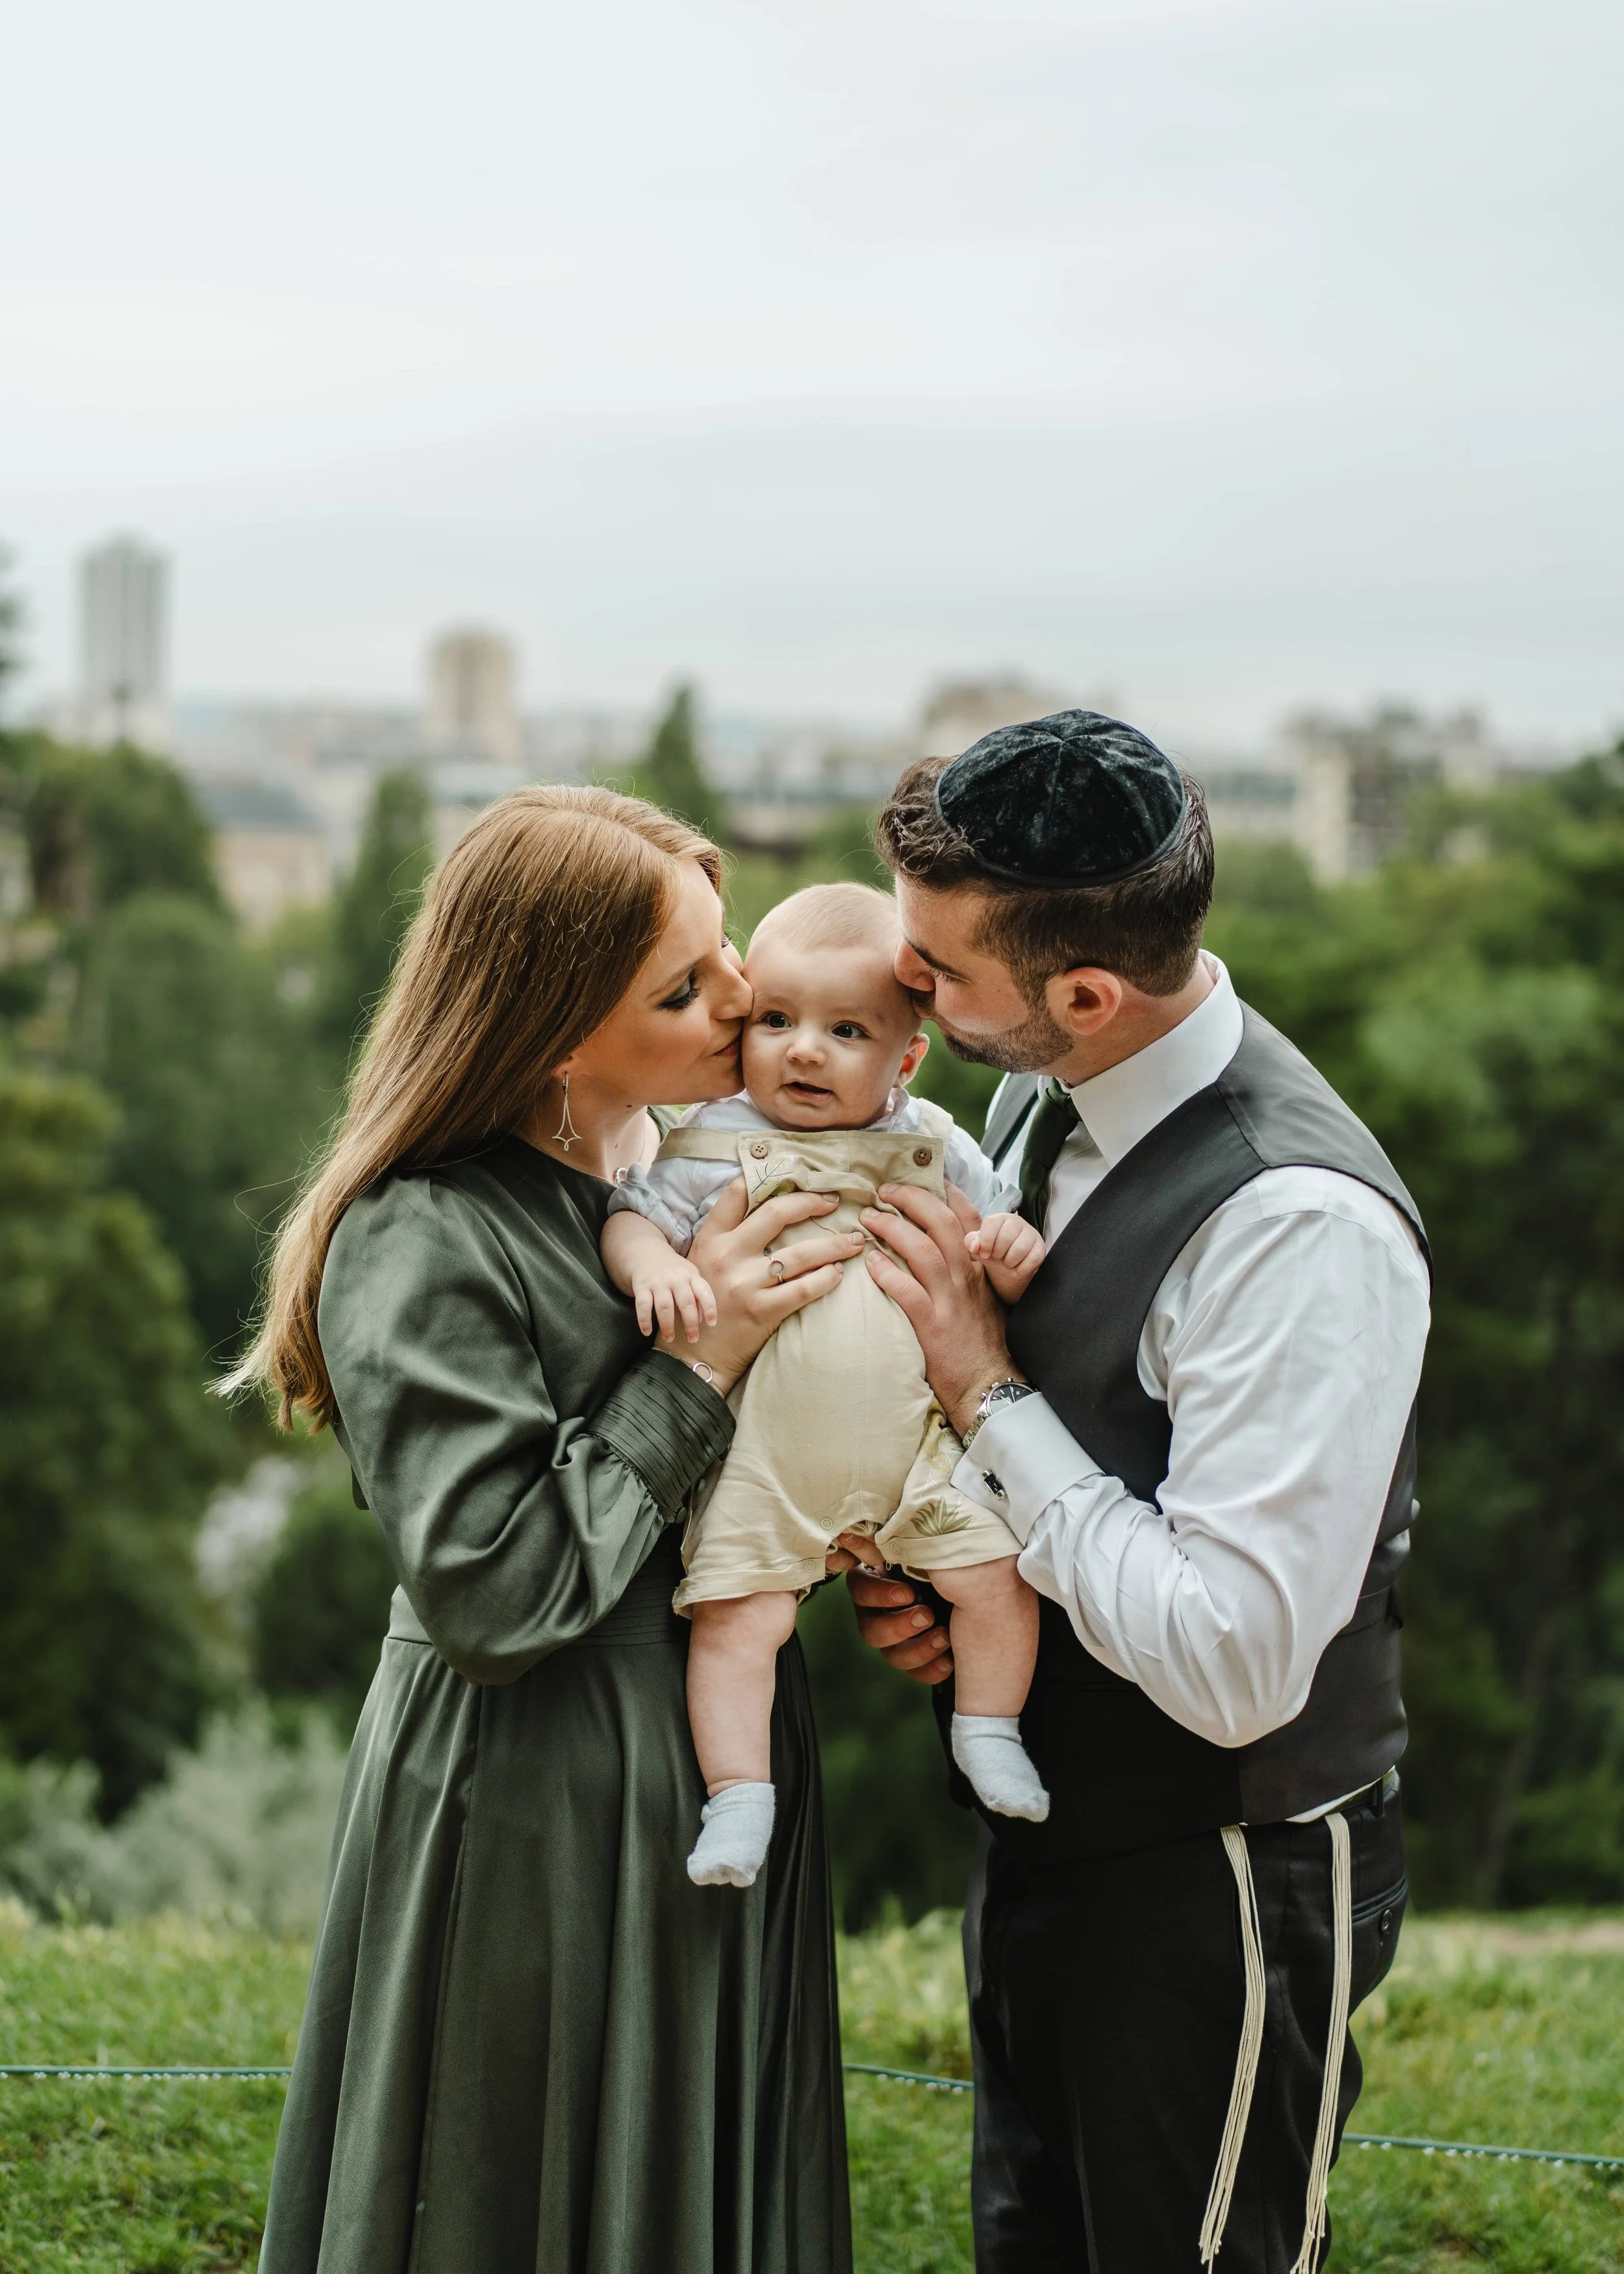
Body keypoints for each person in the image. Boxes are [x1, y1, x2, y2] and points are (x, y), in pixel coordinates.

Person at [238, 785, 857, 2274]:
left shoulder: (682, 1176)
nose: (743, 1001)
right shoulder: (423, 1232)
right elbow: (495, 1593)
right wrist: (693, 1370)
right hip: (535, 1801)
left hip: (711, 1763)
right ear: (556, 1027)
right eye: (684, 988)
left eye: (725, 961)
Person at [848, 711, 1430, 2274]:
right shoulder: (1046, 1095)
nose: (908, 991)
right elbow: (1094, 1474)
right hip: (1058, 1833)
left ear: (1085, 994)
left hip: (1216, 1873)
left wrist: (983, 1387)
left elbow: (1236, 1663)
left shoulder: (1295, 1227)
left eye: (939, 973)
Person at [602, 881, 1050, 1889]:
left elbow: (998, 1238)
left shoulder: (937, 1142)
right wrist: (653, 1267)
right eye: (776, 1020)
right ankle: (737, 1802)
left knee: (994, 1577)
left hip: (919, 1455)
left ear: (907, 1054)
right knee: (734, 1622)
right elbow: (628, 1215)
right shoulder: (710, 1140)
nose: (803, 1049)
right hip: (767, 1458)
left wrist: (1013, 1253)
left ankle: (989, 1730)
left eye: (845, 1029)